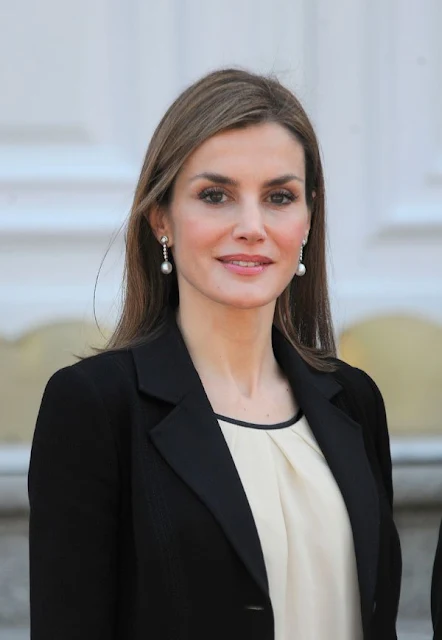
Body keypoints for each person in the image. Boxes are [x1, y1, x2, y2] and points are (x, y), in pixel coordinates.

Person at [28, 68, 402, 640]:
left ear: (307, 220)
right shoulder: (94, 407)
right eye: (215, 195)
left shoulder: (355, 401)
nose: (252, 227)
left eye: (279, 197)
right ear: (162, 219)